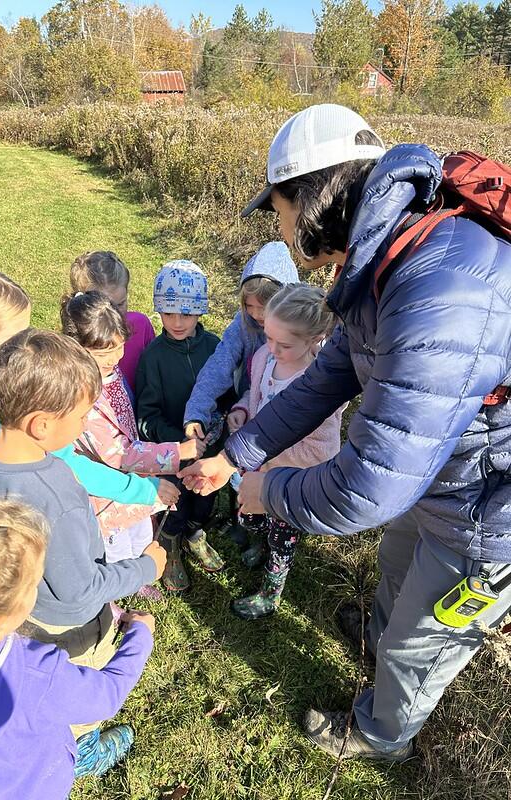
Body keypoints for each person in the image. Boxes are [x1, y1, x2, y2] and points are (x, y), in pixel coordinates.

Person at [180, 103, 511, 762]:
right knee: (395, 570)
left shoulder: (437, 291)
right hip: (442, 473)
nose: (279, 226)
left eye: (277, 209)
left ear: (312, 199)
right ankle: (378, 644)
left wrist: (268, 490)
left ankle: (379, 732)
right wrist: (235, 455)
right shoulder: (389, 257)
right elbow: (326, 379)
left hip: (488, 509)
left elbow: (366, 490)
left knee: (424, 639)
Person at [0, 328, 167, 750]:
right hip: (69, 626)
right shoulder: (57, 495)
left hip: (22, 611)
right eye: (79, 417)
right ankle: (82, 746)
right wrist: (147, 566)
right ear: (40, 424)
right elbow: (81, 591)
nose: (82, 428)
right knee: (77, 689)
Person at [0, 497, 155, 800]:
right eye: (33, 583)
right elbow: (106, 695)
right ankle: (88, 756)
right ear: (2, 617)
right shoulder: (32, 673)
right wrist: (142, 636)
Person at [0, 263, 178, 511]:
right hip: (10, 513)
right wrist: (143, 489)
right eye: (16, 336)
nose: (25, 342)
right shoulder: (13, 399)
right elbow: (70, 465)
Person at [61, 290, 205, 597]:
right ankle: (114, 601)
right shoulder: (79, 396)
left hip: (134, 482)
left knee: (140, 535)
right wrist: (178, 452)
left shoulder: (108, 375)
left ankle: (137, 583)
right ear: (76, 348)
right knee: (115, 549)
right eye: (104, 352)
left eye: (119, 346)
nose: (115, 358)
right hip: (107, 495)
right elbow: (118, 454)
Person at [228, 283, 344, 620]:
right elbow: (256, 396)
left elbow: (322, 450)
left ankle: (270, 592)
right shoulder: (265, 358)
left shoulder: (319, 387)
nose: (273, 349)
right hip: (257, 465)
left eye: (286, 344)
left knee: (282, 535)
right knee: (249, 514)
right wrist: (242, 411)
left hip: (287, 478)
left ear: (314, 338)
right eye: (268, 337)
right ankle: (259, 543)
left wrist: (266, 460)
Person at [136, 260, 228, 593]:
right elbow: (145, 417)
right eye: (169, 313)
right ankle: (171, 544)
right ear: (158, 309)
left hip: (210, 452)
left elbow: (228, 395)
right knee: (175, 505)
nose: (177, 322)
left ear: (200, 312)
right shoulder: (153, 358)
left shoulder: (216, 348)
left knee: (204, 502)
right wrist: (178, 442)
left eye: (186, 314)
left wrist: (229, 416)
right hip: (173, 455)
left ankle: (195, 534)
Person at [183, 241, 298, 441]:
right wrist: (196, 413)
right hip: (246, 408)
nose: (255, 314)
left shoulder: (303, 331)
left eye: (263, 307)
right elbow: (219, 364)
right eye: (248, 305)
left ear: (284, 300)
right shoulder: (244, 324)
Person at [70, 250, 155, 396]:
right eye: (107, 308)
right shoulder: (76, 342)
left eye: (121, 304)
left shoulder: (141, 325)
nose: (116, 314)